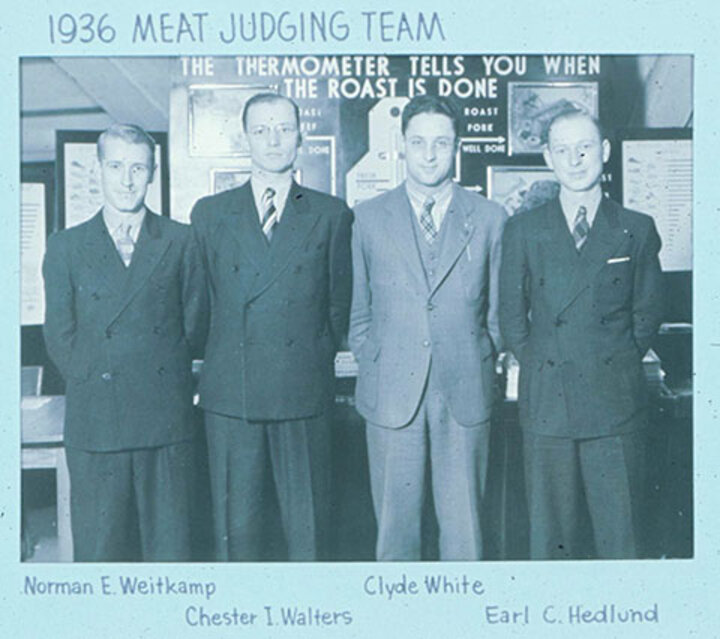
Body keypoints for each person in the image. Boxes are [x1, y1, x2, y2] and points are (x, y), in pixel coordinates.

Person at [190, 93, 352, 561]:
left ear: (301, 135)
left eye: (284, 128)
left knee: (310, 536)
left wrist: (308, 364)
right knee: (234, 535)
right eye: (262, 130)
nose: (274, 139)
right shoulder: (210, 214)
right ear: (245, 138)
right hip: (230, 395)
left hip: (302, 392)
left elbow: (336, 310)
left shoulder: (332, 213)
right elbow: (200, 307)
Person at [499, 107, 664, 559]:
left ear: (604, 152)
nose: (575, 160)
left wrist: (615, 361)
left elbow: (648, 314)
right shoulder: (522, 230)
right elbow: (511, 318)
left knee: (621, 540)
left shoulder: (636, 228)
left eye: (585, 148)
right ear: (548, 158)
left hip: (615, 403)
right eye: (563, 150)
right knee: (551, 543)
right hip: (548, 403)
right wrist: (543, 362)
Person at [349, 95, 507, 561]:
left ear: (456, 145)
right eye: (418, 142)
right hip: (391, 392)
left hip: (464, 391)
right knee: (394, 537)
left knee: (466, 538)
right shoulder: (367, 217)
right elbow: (358, 316)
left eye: (441, 142)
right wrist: (381, 359)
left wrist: (473, 355)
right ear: (402, 146)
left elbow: (496, 318)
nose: (430, 153)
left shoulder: (490, 218)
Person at [43, 124, 208, 561]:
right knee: (101, 554)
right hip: (97, 424)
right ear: (97, 170)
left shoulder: (181, 240)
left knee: (171, 554)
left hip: (164, 422)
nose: (127, 179)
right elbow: (59, 334)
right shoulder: (65, 247)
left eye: (138, 167)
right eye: (116, 166)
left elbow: (193, 326)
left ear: (152, 173)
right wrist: (94, 381)